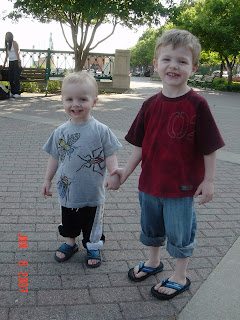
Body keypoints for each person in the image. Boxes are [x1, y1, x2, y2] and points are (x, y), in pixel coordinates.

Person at [110, 29, 225, 300]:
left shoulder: (198, 104)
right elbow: (140, 146)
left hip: (181, 187)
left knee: (180, 233)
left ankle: (180, 276)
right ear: (155, 65)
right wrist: (124, 173)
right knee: (151, 228)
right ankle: (153, 262)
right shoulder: (150, 104)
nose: (174, 66)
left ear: (193, 68)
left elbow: (210, 147)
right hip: (149, 184)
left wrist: (208, 181)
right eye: (167, 59)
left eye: (182, 61)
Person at [42, 71, 122, 268]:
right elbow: (54, 157)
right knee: (68, 217)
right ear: (62, 101)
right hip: (67, 189)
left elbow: (110, 154)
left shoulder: (101, 130)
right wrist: (47, 180)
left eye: (82, 99)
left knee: (92, 220)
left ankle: (92, 245)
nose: (75, 104)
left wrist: (114, 173)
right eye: (69, 99)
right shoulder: (60, 131)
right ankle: (70, 242)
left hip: (92, 189)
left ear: (94, 101)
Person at [3, 32, 22, 98]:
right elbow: (7, 55)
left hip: (16, 61)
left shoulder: (14, 43)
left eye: (8, 36)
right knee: (11, 77)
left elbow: (17, 52)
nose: (7, 37)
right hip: (11, 62)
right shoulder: (8, 44)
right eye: (6, 36)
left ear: (11, 36)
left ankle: (17, 92)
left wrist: (19, 62)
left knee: (16, 77)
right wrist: (4, 63)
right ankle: (13, 92)